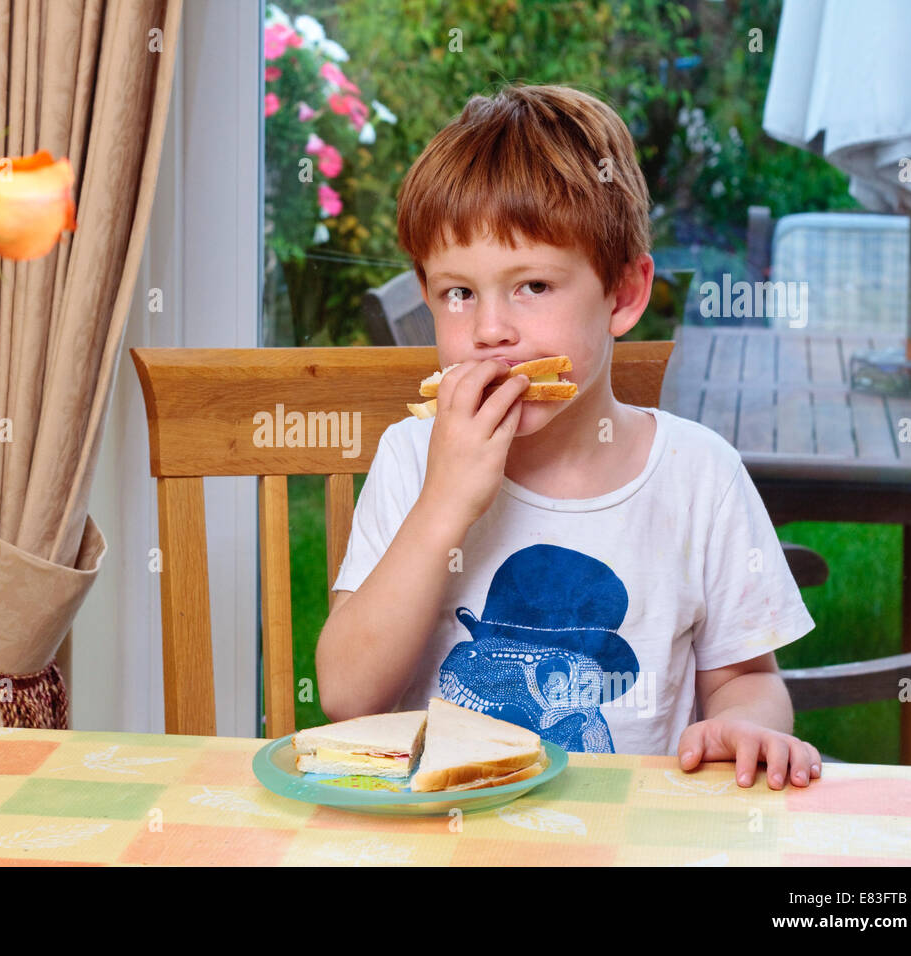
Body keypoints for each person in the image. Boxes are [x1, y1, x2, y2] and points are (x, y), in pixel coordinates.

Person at [318, 84, 821, 789]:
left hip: (629, 840)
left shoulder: (699, 476)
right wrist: (444, 505)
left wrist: (746, 724)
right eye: (458, 293)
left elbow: (747, 679)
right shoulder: (412, 460)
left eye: (532, 286)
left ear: (622, 295)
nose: (490, 330)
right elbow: (346, 694)